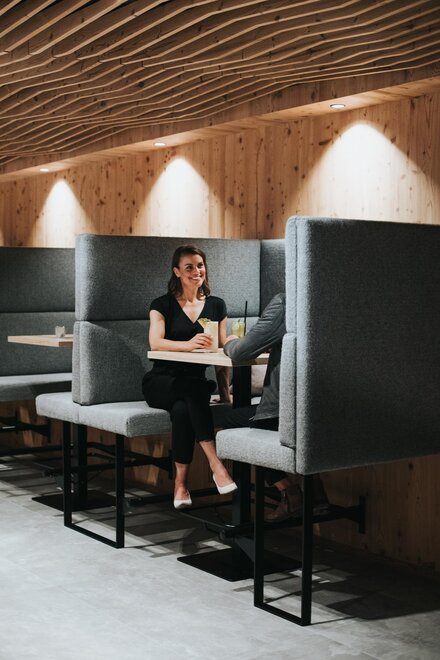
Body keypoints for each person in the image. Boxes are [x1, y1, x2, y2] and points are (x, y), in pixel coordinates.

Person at [142, 244, 237, 509]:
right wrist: (188, 344)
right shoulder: (161, 305)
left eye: (200, 266)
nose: (197, 271)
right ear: (177, 272)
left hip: (193, 385)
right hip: (161, 382)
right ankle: (216, 464)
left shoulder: (216, 305)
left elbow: (220, 350)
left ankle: (180, 485)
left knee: (183, 410)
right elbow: (156, 343)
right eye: (189, 267)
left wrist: (225, 393)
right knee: (194, 390)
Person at [221, 292, 329, 522]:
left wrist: (229, 342)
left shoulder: (287, 301)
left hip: (282, 413)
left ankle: (289, 491)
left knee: (227, 419)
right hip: (326, 410)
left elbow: (241, 352)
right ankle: (315, 492)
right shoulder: (334, 300)